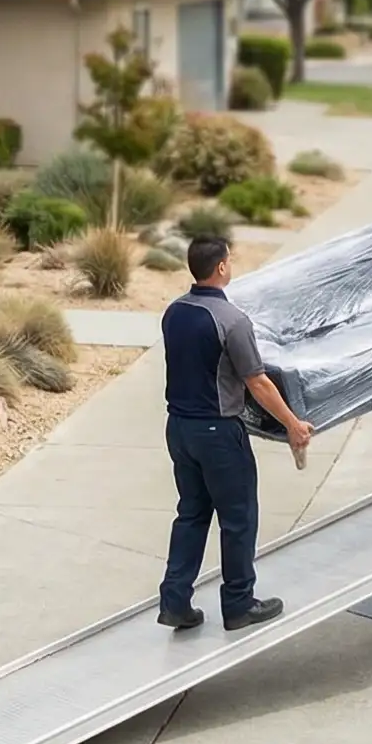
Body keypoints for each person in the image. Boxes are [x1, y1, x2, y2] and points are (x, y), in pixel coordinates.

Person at [157, 236, 313, 632]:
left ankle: (175, 601)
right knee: (238, 518)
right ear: (222, 268)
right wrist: (293, 423)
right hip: (218, 433)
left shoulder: (174, 312)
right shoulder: (232, 321)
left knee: (191, 513)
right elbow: (257, 383)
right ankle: (239, 604)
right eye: (229, 259)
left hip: (179, 428)